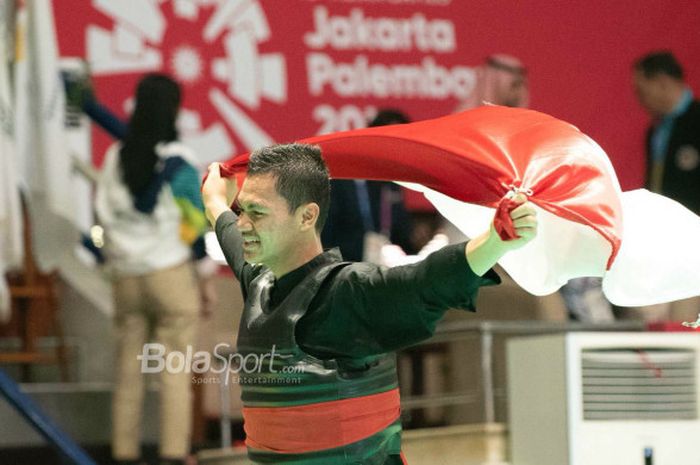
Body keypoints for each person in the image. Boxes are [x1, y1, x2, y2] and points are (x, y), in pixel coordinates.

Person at [201, 143, 537, 464]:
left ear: (306, 217)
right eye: (241, 210)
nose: (243, 223)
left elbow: (424, 282)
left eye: (256, 213)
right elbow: (229, 232)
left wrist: (496, 241)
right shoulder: (259, 282)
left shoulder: (348, 292)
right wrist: (216, 202)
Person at [93, 74, 214, 465]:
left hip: (125, 276)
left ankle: (123, 454)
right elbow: (194, 221)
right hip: (170, 274)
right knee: (173, 370)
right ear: (175, 108)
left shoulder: (116, 156)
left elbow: (102, 215)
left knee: (127, 370)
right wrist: (204, 270)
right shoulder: (178, 158)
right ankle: (173, 455)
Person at [631, 50, 700, 322]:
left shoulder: (698, 120)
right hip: (667, 236)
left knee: (684, 306)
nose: (639, 100)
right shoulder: (656, 131)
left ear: (661, 82)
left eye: (641, 91)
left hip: (693, 237)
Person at [321, 109, 414, 261]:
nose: (396, 153)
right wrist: (361, 247)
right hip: (346, 268)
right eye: (391, 143)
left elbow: (401, 234)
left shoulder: (392, 185)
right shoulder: (339, 180)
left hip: (387, 270)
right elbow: (325, 239)